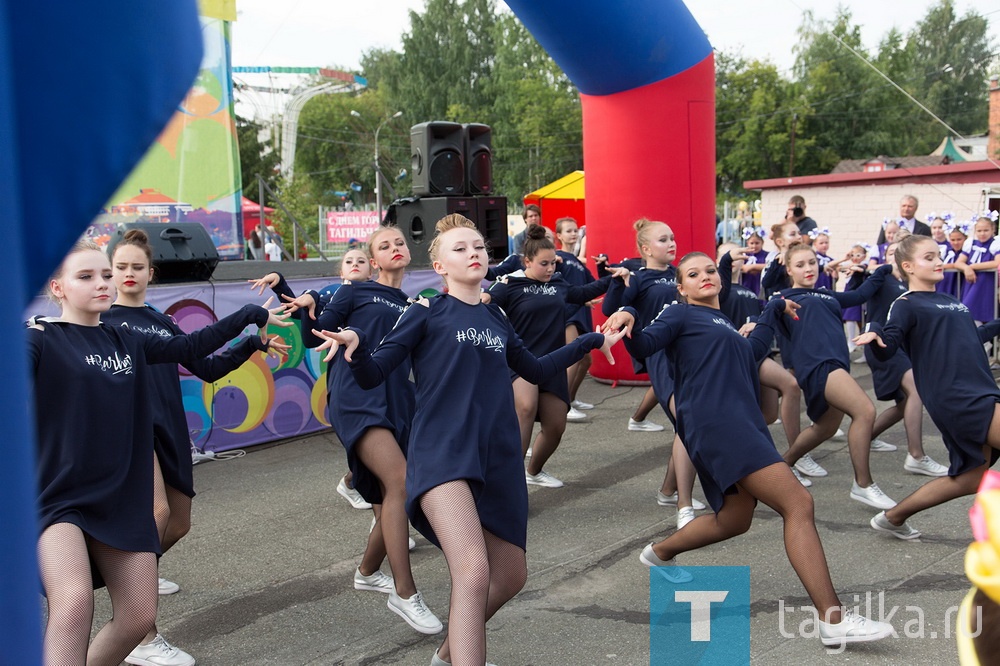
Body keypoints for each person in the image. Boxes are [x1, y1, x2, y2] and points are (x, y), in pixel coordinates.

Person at [314, 214, 624, 666]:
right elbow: (376, 370)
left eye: (479, 246)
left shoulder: (496, 313)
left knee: (510, 575)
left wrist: (593, 339)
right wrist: (356, 348)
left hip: (497, 458)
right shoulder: (425, 309)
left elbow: (535, 370)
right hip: (442, 453)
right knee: (474, 573)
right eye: (459, 248)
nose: (473, 253)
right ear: (439, 265)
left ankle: (449, 654)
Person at [603, 252, 894, 648]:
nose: (704, 276)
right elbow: (645, 345)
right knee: (798, 503)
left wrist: (773, 305)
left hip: (741, 426)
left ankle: (658, 552)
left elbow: (755, 344)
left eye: (709, 270)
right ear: (681, 287)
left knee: (734, 520)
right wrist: (628, 315)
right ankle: (833, 619)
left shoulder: (722, 321)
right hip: (716, 425)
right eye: (693, 274)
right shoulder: (680, 315)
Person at [29, 240, 288, 666]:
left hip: (120, 498)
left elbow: (192, 351)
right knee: (73, 601)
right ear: (57, 288)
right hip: (60, 498)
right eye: (86, 276)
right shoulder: (40, 339)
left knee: (137, 617)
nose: (103, 283)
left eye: (105, 275)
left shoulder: (127, 338)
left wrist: (250, 317)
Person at [103, 230, 290, 666]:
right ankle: (142, 636)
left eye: (137, 267)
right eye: (121, 267)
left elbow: (205, 367)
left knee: (179, 521)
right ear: (110, 273)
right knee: (157, 514)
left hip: (169, 429)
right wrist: (247, 317)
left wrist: (253, 343)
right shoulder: (105, 322)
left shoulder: (161, 320)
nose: (129, 274)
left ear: (151, 273)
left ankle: (133, 572)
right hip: (131, 433)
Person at [261, 227, 443, 635]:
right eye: (384, 245)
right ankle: (405, 592)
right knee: (400, 482)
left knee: (397, 494)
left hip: (401, 402)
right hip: (357, 398)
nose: (395, 248)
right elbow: (313, 335)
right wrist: (302, 298)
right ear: (373, 260)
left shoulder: (418, 304)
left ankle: (366, 570)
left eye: (399, 243)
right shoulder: (355, 291)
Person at [854, 234, 1000, 540]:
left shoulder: (951, 300)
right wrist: (878, 342)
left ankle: (893, 517)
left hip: (981, 388)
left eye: (939, 256)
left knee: (970, 479)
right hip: (956, 396)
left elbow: (974, 339)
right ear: (907, 266)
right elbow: (890, 341)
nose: (939, 262)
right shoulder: (906, 304)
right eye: (929, 257)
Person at [489, 224, 616, 488]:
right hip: (520, 361)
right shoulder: (509, 286)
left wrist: (614, 277)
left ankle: (533, 471)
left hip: (552, 363)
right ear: (527, 261)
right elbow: (484, 304)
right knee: (525, 408)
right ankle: (511, 487)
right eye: (544, 264)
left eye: (553, 263)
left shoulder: (558, 283)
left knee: (556, 425)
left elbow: (583, 293)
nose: (550, 269)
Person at [773, 243, 898, 510]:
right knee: (865, 411)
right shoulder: (784, 298)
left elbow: (862, 294)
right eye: (800, 264)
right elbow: (764, 316)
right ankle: (863, 484)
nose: (808, 269)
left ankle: (781, 467)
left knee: (825, 428)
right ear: (788, 269)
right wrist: (753, 320)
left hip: (837, 364)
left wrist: (885, 267)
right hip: (818, 365)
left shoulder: (828, 295)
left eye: (812, 262)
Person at [860, 241, 948, 477]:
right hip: (883, 342)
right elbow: (858, 293)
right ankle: (916, 455)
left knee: (903, 405)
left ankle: (861, 438)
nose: (894, 257)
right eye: (890, 252)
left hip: (900, 346)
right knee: (916, 391)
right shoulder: (882, 278)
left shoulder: (905, 285)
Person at [554, 217, 600, 420]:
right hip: (568, 314)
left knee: (586, 359)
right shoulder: (557, 258)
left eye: (575, 231)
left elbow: (591, 286)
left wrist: (604, 266)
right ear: (559, 235)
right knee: (572, 357)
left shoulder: (578, 263)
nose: (573, 234)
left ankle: (570, 398)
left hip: (581, 313)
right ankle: (561, 404)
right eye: (568, 231)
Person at [955, 213, 1000, 325]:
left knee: (986, 312)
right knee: (968, 310)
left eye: (986, 230)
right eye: (979, 231)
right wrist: (966, 268)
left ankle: (987, 341)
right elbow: (958, 262)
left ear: (992, 229)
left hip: (986, 285)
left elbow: (997, 262)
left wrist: (973, 266)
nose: (982, 233)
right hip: (971, 284)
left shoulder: (994, 244)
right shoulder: (971, 243)